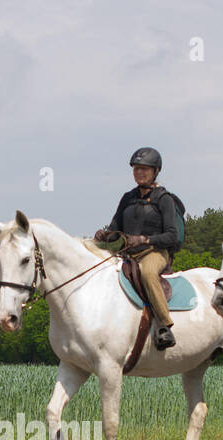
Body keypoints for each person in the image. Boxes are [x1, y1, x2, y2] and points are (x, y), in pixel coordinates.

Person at [94, 147, 185, 350]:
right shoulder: (127, 198)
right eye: (136, 169)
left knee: (147, 273)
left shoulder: (164, 199)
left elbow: (172, 235)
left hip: (155, 253)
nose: (139, 173)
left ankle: (164, 325)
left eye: (144, 169)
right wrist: (104, 235)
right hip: (128, 255)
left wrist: (144, 239)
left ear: (155, 171)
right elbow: (114, 229)